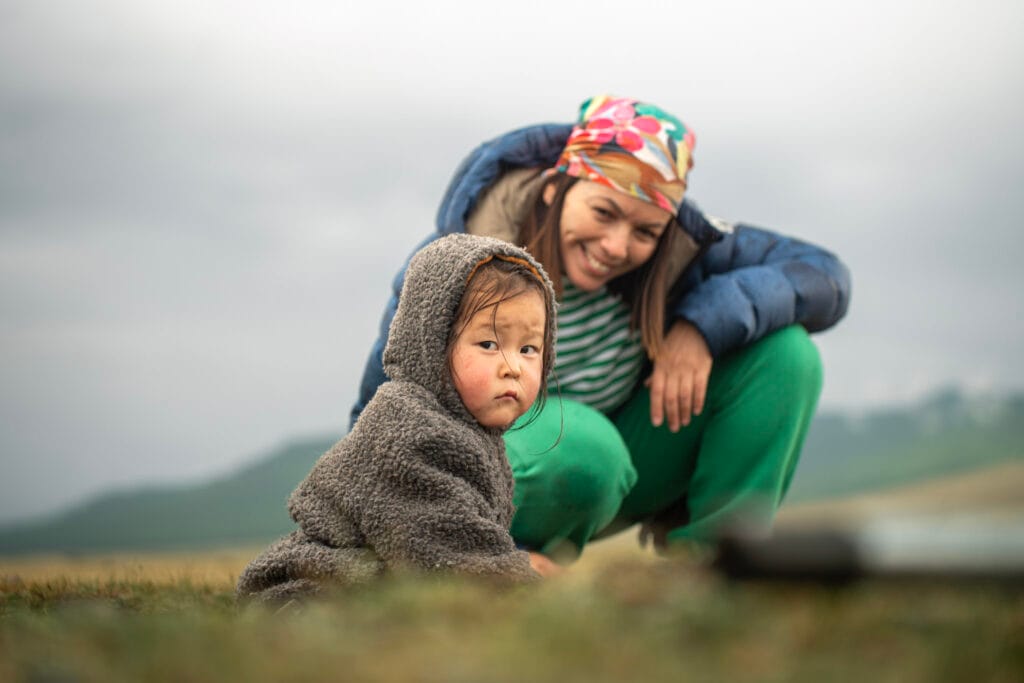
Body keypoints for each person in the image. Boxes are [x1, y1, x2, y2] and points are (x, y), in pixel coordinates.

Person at [353, 95, 852, 574]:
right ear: (556, 188)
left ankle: (713, 568)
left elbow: (824, 276)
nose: (616, 247)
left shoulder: (679, 253)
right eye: (603, 213)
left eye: (645, 232)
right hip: (473, 483)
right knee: (589, 448)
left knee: (786, 355)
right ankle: (487, 555)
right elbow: (383, 416)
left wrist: (701, 327)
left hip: (621, 468)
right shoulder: (456, 264)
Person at [237, 234, 557, 601]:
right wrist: (534, 597)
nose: (513, 367)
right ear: (431, 341)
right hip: (308, 586)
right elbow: (453, 552)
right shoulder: (411, 433)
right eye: (488, 344)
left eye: (529, 348)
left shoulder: (468, 430)